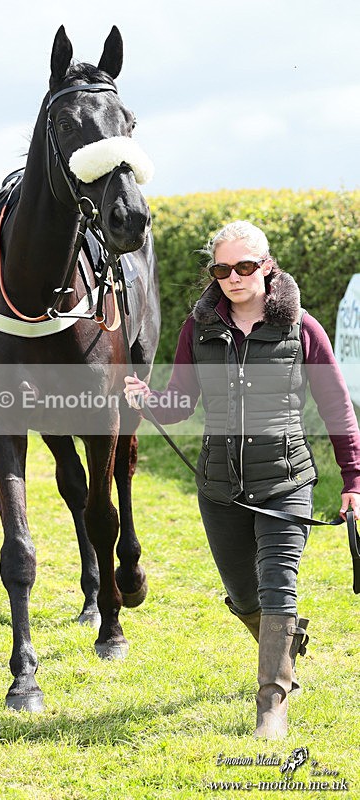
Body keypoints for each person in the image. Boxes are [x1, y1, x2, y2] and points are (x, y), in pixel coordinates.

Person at [124, 220, 360, 740]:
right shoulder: (198, 328)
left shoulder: (302, 328)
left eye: (245, 267)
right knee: (243, 592)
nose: (233, 277)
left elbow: (337, 407)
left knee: (279, 584)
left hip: (285, 482)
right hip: (219, 486)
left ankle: (272, 705)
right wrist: (148, 399)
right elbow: (182, 401)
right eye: (222, 269)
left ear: (267, 267)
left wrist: (353, 479)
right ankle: (283, 647)